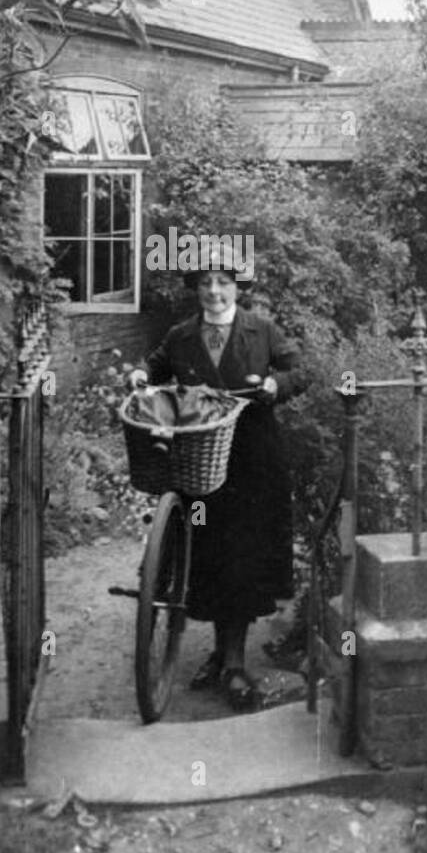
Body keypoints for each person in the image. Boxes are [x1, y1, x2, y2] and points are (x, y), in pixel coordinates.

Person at [128, 257, 306, 710]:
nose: (214, 291)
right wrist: (142, 377)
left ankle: (233, 661)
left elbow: (298, 372)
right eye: (205, 283)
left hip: (251, 459)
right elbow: (157, 365)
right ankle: (219, 655)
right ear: (196, 289)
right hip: (201, 460)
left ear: (237, 288)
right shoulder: (181, 335)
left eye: (223, 283)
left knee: (242, 558)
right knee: (204, 555)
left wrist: (274, 384)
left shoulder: (262, 330)